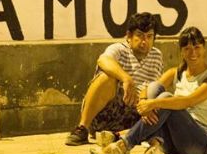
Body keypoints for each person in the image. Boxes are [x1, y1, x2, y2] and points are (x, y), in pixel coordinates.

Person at [90, 26, 207, 154]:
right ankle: (155, 147)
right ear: (181, 52)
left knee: (166, 99)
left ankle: (124, 145)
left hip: (200, 142)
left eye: (197, 47)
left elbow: (188, 101)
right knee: (154, 88)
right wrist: (145, 105)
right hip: (174, 143)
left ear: (204, 48)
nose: (193, 53)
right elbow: (147, 90)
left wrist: (153, 104)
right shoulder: (175, 72)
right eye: (187, 48)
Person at [65, 12, 163, 146]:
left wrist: (145, 104)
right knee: (106, 78)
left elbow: (152, 86)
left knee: (160, 98)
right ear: (129, 36)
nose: (144, 41)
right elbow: (103, 60)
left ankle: (119, 136)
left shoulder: (156, 56)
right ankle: (82, 129)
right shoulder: (119, 49)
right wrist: (126, 79)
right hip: (108, 110)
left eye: (149, 36)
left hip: (136, 110)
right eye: (139, 36)